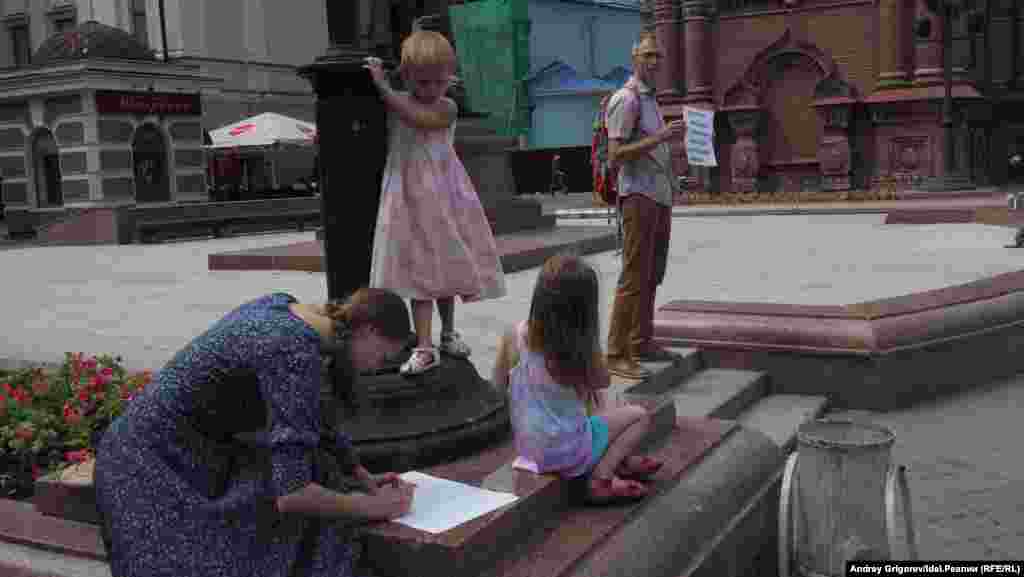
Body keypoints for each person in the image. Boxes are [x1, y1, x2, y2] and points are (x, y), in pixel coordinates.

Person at [94, 290, 417, 577]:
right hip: (146, 464)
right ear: (368, 331)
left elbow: (311, 410)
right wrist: (374, 508)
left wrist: (357, 472)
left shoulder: (290, 312)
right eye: (383, 356)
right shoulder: (292, 350)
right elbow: (293, 494)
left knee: (321, 480)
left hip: (171, 447)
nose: (377, 367)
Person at [364, 30, 507, 377]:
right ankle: (425, 344)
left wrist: (383, 87)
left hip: (441, 194)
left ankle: (447, 333)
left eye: (438, 82)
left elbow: (419, 118)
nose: (430, 89)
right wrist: (387, 87)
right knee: (421, 270)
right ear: (407, 76)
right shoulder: (401, 100)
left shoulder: (446, 107)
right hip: (409, 196)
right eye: (422, 82)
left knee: (446, 265)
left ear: (449, 78)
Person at [492, 254, 663, 503]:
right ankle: (602, 477)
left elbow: (498, 386)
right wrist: (590, 341)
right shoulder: (580, 350)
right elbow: (603, 381)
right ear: (585, 310)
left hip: (530, 452)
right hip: (569, 452)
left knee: (593, 399)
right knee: (638, 415)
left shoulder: (513, 336)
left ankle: (623, 463)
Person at [604, 30, 687, 380]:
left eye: (657, 56)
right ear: (634, 58)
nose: (653, 61)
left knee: (652, 273)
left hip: (659, 195)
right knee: (634, 275)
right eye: (647, 55)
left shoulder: (651, 100)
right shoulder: (626, 99)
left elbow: (654, 148)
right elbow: (615, 155)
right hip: (638, 196)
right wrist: (662, 137)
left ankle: (641, 341)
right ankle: (615, 352)